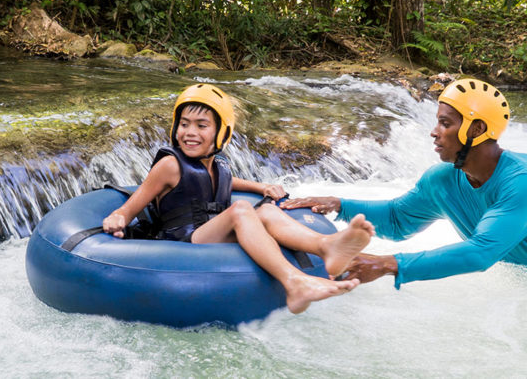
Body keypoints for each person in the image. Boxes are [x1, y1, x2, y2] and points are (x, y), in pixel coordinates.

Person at [103, 83, 374, 313]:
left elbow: (223, 182)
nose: (190, 132)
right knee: (242, 210)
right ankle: (294, 282)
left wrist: (260, 187)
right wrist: (118, 217)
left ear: (222, 133)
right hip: (181, 241)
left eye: (201, 125)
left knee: (266, 212)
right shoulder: (169, 166)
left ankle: (326, 246)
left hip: (209, 233)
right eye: (184, 124)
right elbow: (132, 205)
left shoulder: (218, 163)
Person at [281, 78, 527, 289]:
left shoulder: (520, 182)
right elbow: (397, 219)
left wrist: (387, 264)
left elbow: (480, 253)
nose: (434, 132)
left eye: (445, 123)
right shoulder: (442, 179)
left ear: (476, 129)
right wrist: (338, 205)